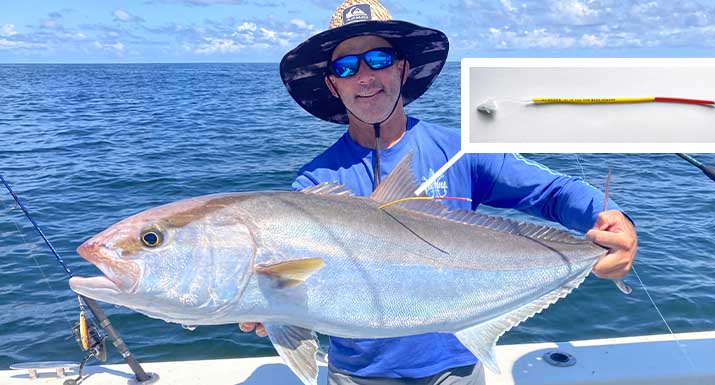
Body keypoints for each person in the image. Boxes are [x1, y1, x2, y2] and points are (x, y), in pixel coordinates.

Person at [241, 0, 637, 384]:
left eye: (378, 59)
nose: (365, 76)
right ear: (333, 84)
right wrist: (267, 302)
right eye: (346, 66)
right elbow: (300, 282)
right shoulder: (314, 183)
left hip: (457, 368)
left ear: (402, 68)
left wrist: (612, 220)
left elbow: (553, 192)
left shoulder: (459, 152)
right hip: (358, 374)